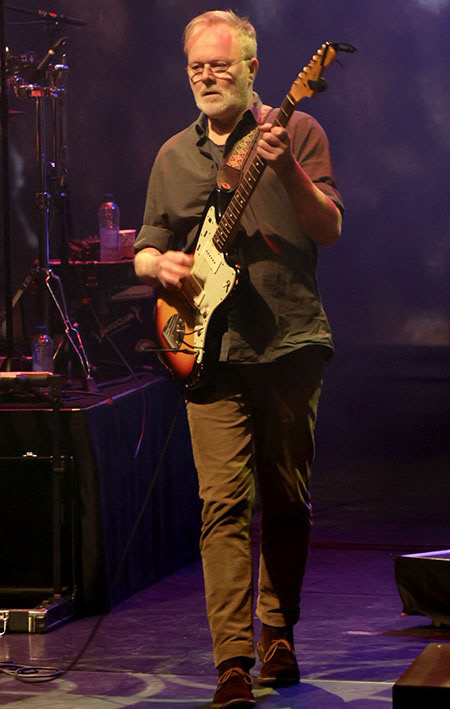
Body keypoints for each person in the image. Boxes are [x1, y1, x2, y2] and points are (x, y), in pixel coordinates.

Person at [134, 10, 344, 708]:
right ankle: (232, 662)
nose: (207, 76)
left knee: (285, 496)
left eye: (220, 65)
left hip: (288, 341)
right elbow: (147, 243)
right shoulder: (173, 156)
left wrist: (286, 168)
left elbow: (329, 228)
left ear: (253, 68)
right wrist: (155, 265)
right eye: (197, 66)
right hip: (209, 351)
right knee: (222, 505)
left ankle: (278, 632)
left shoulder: (299, 131)